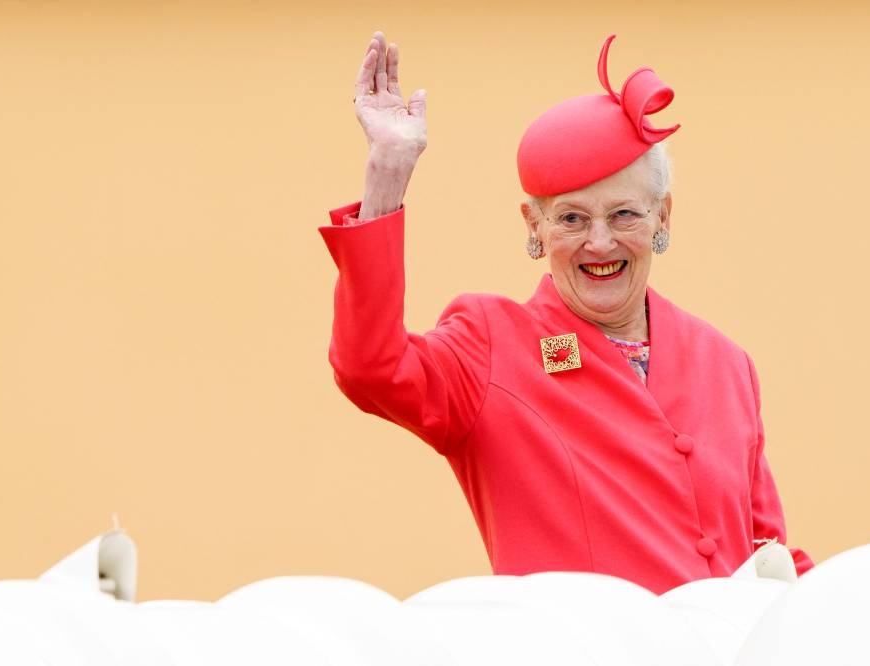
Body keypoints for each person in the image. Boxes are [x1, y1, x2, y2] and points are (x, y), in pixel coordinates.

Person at [319, 31, 813, 595]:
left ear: (662, 217)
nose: (599, 243)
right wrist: (385, 182)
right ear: (536, 228)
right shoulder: (491, 345)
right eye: (572, 220)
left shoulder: (726, 362)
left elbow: (765, 552)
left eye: (624, 214)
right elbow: (369, 367)